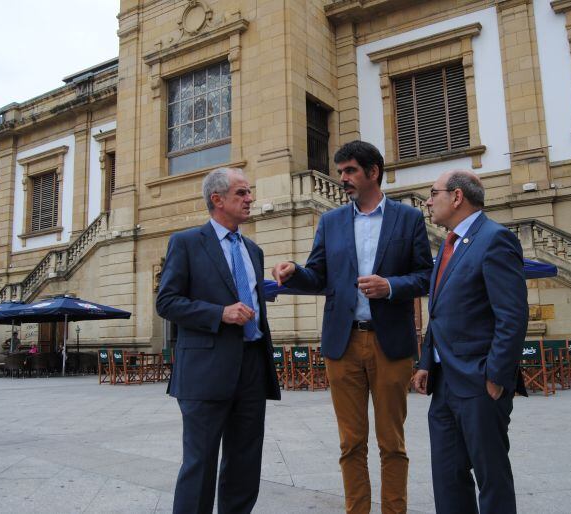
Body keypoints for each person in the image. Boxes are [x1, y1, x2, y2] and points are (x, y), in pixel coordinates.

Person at [272, 141, 432, 514]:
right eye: (340, 171)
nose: (342, 178)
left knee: (392, 442)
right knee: (350, 442)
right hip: (342, 344)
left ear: (373, 172)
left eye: (349, 171)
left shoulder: (408, 219)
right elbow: (319, 277)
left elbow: (426, 277)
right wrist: (297, 272)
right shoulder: (331, 221)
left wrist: (390, 287)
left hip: (390, 344)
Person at [156, 167, 280, 514]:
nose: (250, 198)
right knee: (200, 462)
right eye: (241, 193)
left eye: (249, 192)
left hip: (252, 364)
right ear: (218, 199)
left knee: (245, 461)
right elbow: (166, 302)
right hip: (205, 369)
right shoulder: (187, 243)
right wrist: (219, 314)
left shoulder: (253, 250)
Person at [412, 170, 528, 514]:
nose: (429, 202)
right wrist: (425, 363)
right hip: (444, 382)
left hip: (480, 381)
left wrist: (496, 375)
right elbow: (442, 311)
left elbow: (512, 315)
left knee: (491, 477)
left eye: (433, 193)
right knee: (447, 475)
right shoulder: (447, 244)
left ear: (457, 196)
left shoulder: (495, 239)